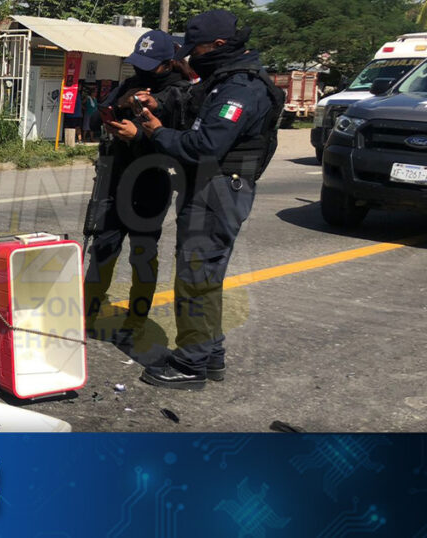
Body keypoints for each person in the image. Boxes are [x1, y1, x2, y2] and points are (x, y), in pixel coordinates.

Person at [134, 10, 284, 389]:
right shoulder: (225, 79)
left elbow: (206, 146)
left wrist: (157, 133)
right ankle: (210, 353)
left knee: (195, 277)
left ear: (218, 46)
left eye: (195, 48)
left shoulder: (242, 88)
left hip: (218, 190)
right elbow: (192, 101)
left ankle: (190, 364)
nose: (190, 56)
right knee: (203, 276)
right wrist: (159, 107)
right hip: (211, 188)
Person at [83, 29, 190, 350]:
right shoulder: (129, 85)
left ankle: (135, 321)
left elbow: (181, 145)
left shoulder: (179, 93)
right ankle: (86, 314)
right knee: (102, 250)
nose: (142, 69)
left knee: (143, 256)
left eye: (150, 64)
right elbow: (91, 120)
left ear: (168, 64)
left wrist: (139, 137)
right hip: (114, 179)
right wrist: (113, 109)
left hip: (151, 183)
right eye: (138, 62)